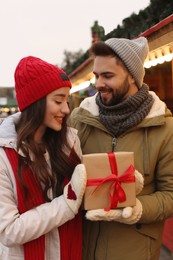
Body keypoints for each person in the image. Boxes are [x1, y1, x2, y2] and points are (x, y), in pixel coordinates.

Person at [70, 37, 173, 260]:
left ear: (132, 76)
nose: (98, 84)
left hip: (135, 251)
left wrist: (136, 209)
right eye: (96, 75)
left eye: (108, 76)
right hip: (82, 249)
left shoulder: (165, 127)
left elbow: (171, 194)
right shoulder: (79, 119)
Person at [0, 56, 87, 260]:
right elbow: (9, 231)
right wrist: (67, 204)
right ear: (36, 103)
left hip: (71, 252)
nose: (66, 109)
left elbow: (85, 200)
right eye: (58, 101)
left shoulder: (70, 142)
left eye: (67, 100)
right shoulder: (4, 154)